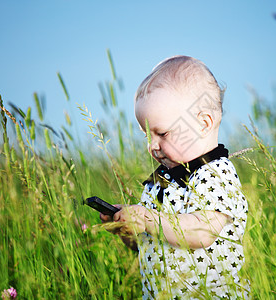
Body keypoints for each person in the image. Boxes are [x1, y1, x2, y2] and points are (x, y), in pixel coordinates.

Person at [100, 55, 249, 299]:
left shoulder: (216, 173)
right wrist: (130, 228)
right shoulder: (159, 181)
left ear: (203, 124)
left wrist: (148, 218)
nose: (152, 146)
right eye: (147, 135)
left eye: (162, 133)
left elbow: (202, 232)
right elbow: (149, 242)